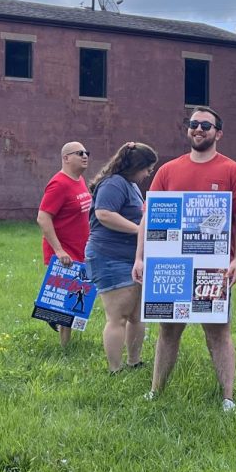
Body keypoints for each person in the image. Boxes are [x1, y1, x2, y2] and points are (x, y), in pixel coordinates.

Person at [132, 107, 236, 410]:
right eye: (193, 124)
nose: (198, 129)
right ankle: (156, 389)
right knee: (168, 330)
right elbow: (149, 219)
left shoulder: (233, 171)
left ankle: (228, 396)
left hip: (213, 267)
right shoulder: (167, 170)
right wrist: (140, 257)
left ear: (218, 133)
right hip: (169, 267)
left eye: (205, 125)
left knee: (217, 330)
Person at [85, 142, 158, 374]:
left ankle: (134, 362)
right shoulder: (114, 183)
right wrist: (139, 231)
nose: (149, 173)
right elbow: (104, 214)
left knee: (137, 315)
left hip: (131, 258)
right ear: (136, 165)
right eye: (147, 168)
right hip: (109, 256)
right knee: (118, 316)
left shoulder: (131, 185)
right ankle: (114, 369)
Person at [36, 141, 92, 347]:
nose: (85, 156)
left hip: (79, 248)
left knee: (75, 294)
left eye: (86, 152)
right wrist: (59, 250)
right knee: (66, 299)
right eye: (79, 153)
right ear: (66, 158)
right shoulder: (59, 184)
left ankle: (57, 325)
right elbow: (43, 217)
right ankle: (64, 347)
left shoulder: (79, 180)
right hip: (64, 251)